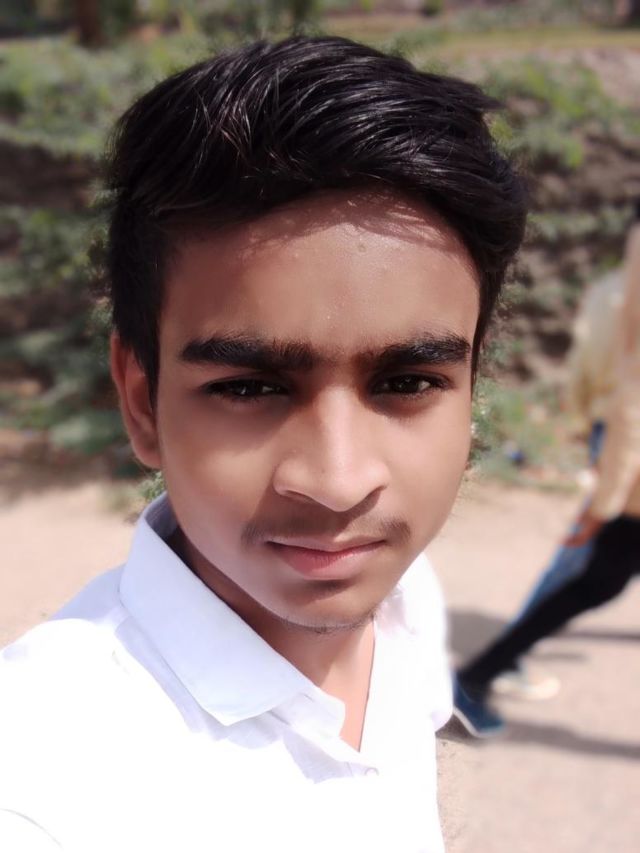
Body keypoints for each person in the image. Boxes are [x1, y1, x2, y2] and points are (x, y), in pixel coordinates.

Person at [0, 37, 526, 852]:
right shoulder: (43, 781)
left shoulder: (404, 604)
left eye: (408, 381)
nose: (339, 482)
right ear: (141, 399)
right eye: (248, 388)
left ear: (472, 385)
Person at [454, 202, 640, 737]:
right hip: (622, 443)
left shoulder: (612, 292)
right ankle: (492, 665)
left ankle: (489, 667)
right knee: (588, 572)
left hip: (616, 437)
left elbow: (593, 374)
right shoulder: (621, 298)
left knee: (594, 574)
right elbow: (623, 398)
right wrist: (602, 484)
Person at [490, 266, 626, 701]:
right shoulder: (621, 293)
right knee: (588, 548)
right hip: (627, 435)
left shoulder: (613, 288)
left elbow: (586, 367)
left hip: (615, 426)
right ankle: (503, 661)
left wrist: (588, 421)